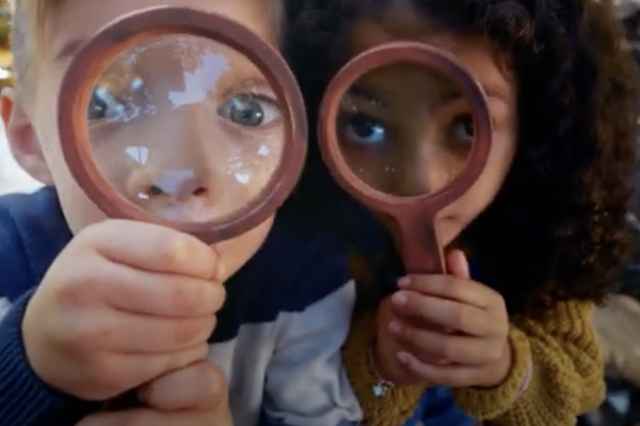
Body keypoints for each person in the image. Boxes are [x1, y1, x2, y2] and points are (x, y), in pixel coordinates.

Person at [0, 0, 362, 425]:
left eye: (247, 110)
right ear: (29, 139)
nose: (180, 173)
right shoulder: (7, 254)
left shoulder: (311, 276)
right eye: (103, 104)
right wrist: (27, 366)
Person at [285, 0, 639, 424]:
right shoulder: (301, 253)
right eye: (365, 125)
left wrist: (504, 367)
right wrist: (380, 371)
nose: (422, 181)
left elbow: (576, 384)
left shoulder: (545, 242)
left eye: (467, 126)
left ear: (538, 123)